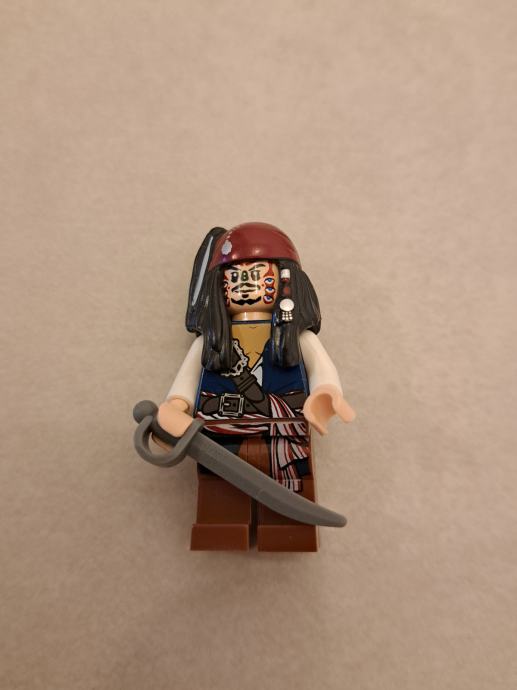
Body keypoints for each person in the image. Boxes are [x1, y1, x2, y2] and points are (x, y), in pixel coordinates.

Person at [156, 222, 355, 551]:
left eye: (255, 274)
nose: (244, 284)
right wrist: (175, 407)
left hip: (283, 429)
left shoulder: (295, 337)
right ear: (219, 286)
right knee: (219, 484)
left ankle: (288, 531)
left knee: (290, 480)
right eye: (234, 276)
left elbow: (322, 370)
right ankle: (221, 529)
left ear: (286, 281)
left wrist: (325, 394)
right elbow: (186, 382)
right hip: (219, 432)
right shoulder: (211, 342)